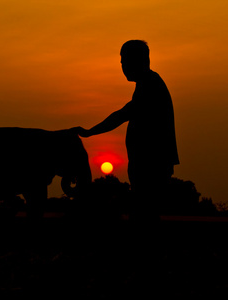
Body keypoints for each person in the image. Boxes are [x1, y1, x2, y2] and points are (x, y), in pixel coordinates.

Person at [73, 40, 179, 222]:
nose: (122, 66)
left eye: (124, 61)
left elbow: (123, 114)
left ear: (138, 60)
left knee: (144, 213)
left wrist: (90, 132)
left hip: (150, 162)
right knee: (144, 212)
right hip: (149, 161)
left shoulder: (150, 85)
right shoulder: (148, 84)